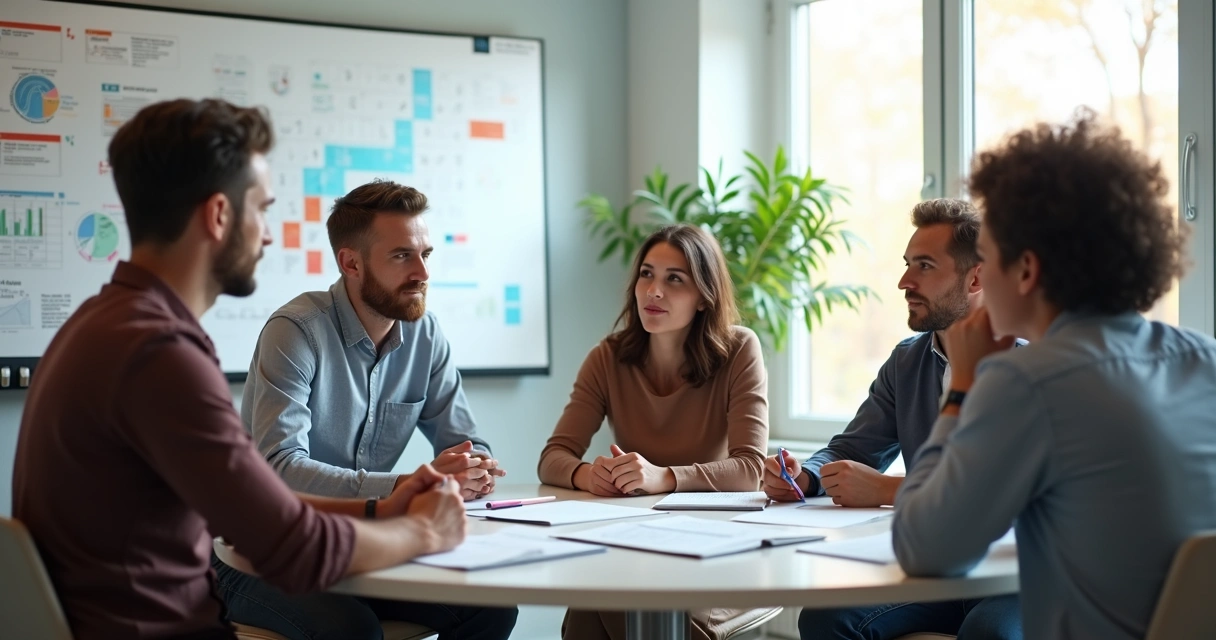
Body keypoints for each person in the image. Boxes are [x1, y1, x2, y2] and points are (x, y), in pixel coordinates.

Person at [11, 98, 467, 640]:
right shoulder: (159, 353)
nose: (269, 235)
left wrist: (382, 506)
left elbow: (255, 507)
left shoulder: (107, 323)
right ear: (220, 216)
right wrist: (422, 532)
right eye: (263, 209)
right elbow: (296, 550)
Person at [892, 112, 1216, 639]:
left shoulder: (1027, 382)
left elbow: (924, 549)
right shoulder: (1206, 359)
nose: (981, 278)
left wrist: (963, 387)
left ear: (1026, 270)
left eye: (989, 258)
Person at [217, 179, 517, 639]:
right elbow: (280, 470)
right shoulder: (295, 332)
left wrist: (470, 466)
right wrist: (406, 487)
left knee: (491, 606)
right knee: (351, 629)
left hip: (363, 544)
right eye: (402, 256)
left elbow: (468, 443)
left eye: (426, 255)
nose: (422, 272)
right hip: (256, 554)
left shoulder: (425, 334)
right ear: (350, 263)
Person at [761, 199, 1021, 640]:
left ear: (975, 275)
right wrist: (803, 476)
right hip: (934, 567)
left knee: (990, 634)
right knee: (825, 618)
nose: (904, 281)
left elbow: (1014, 493)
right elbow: (851, 449)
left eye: (924, 266)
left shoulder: (1028, 365)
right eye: (906, 265)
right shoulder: (906, 362)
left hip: (1009, 574)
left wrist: (887, 489)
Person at [538, 223, 770, 640]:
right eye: (647, 274)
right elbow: (553, 458)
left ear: (704, 297)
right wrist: (592, 475)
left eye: (674, 279)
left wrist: (663, 476)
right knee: (593, 606)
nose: (654, 291)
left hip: (719, 547)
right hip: (634, 543)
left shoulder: (739, 349)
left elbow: (750, 469)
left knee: (611, 604)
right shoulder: (606, 357)